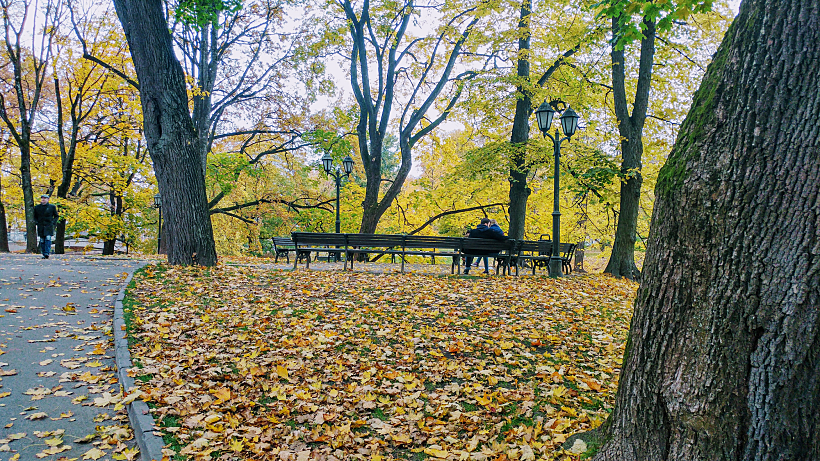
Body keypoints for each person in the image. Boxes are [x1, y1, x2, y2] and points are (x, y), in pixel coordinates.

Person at [33, 194, 58, 259]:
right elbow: (34, 216)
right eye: (42, 198)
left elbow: (56, 216)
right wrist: (36, 222)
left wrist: (53, 222)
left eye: (45, 198)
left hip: (49, 225)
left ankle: (47, 252)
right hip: (40, 225)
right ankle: (44, 253)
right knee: (42, 240)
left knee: (48, 238)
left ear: (48, 199)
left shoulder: (52, 207)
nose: (43, 200)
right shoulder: (37, 207)